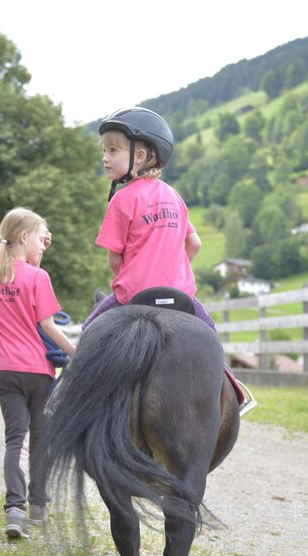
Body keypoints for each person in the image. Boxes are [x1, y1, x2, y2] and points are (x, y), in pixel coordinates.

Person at [84, 106, 255, 415]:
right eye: (104, 151)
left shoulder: (122, 199)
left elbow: (114, 259)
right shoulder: (174, 196)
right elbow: (195, 244)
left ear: (139, 156)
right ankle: (235, 391)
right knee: (211, 337)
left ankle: (69, 393)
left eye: (112, 150)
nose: (105, 158)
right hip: (180, 296)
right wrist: (171, 268)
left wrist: (133, 275)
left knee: (89, 329)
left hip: (135, 296)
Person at [0, 207, 76, 539]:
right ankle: (38, 505)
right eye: (40, 238)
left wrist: (37, 253)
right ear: (24, 238)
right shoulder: (39, 278)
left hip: (6, 371)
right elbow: (48, 325)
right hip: (38, 372)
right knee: (40, 440)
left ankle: (15, 510)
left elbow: (20, 278)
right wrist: (78, 355)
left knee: (15, 441)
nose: (43, 243)